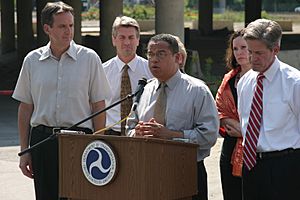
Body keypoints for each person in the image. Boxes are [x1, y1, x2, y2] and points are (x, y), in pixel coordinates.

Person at [12, 2, 111, 200]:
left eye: (71, 26)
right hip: (42, 141)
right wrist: (25, 151)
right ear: (47, 28)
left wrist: (97, 144)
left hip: (80, 140)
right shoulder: (32, 61)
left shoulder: (90, 59)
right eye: (62, 26)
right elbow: (25, 107)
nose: (68, 31)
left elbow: (98, 105)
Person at [126, 33, 219, 200]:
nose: (154, 60)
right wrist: (137, 133)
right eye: (150, 54)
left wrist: (172, 135)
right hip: (148, 172)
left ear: (178, 58)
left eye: (161, 54)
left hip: (185, 172)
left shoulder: (197, 90)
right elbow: (130, 128)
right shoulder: (144, 90)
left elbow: (209, 135)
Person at [237, 19, 300, 200]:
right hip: (251, 164)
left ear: (275, 50)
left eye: (259, 53)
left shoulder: (294, 82)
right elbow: (245, 123)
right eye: (249, 51)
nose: (252, 58)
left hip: (286, 167)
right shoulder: (246, 81)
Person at [215, 29, 251, 200]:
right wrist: (236, 126)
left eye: (243, 47)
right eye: (235, 49)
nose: (239, 53)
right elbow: (219, 109)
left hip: (255, 148)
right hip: (229, 146)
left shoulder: (263, 78)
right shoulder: (229, 78)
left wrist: (244, 131)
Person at [103, 15, 152, 136]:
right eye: (122, 37)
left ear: (138, 40)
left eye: (131, 37)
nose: (127, 42)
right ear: (114, 40)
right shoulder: (103, 71)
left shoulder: (150, 70)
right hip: (111, 133)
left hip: (141, 133)